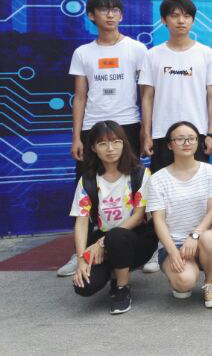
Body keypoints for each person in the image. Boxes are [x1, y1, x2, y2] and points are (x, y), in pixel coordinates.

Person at [61, 0, 149, 278]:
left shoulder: (137, 49)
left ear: (121, 15)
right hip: (92, 127)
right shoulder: (83, 53)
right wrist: (77, 137)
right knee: (88, 188)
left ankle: (136, 247)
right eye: (103, 10)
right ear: (91, 15)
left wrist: (146, 132)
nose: (110, 15)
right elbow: (80, 96)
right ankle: (81, 252)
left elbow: (146, 94)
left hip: (128, 124)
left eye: (115, 10)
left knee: (133, 188)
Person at [70, 121, 157, 314]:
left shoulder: (140, 174)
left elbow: (138, 216)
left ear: (124, 143)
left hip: (137, 239)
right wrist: (81, 259)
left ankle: (122, 288)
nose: (110, 149)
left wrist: (103, 243)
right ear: (93, 148)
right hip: (104, 238)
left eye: (116, 142)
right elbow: (81, 223)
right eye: (102, 144)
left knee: (116, 237)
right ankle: (114, 269)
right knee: (84, 286)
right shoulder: (87, 180)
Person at [139, 0, 212, 172]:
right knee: (163, 183)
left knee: (198, 184)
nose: (181, 21)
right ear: (164, 20)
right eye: (175, 15)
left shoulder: (207, 54)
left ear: (193, 20)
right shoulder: (152, 55)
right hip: (162, 134)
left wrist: (211, 133)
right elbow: (147, 97)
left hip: (197, 133)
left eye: (186, 16)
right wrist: (146, 134)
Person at [146, 121, 212, 308]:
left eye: (191, 138)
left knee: (211, 238)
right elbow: (158, 221)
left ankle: (210, 285)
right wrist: (173, 252)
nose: (186, 143)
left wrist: (195, 235)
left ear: (198, 142)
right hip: (173, 243)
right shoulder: (157, 179)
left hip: (201, 237)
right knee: (184, 283)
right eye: (180, 139)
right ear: (169, 145)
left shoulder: (211, 172)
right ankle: (183, 274)